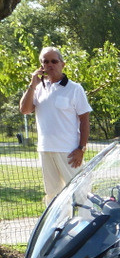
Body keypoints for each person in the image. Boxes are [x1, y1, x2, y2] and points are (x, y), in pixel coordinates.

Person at [19, 47, 92, 205]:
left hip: (69, 151)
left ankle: (88, 225)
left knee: (81, 192)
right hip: (45, 150)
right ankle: (58, 228)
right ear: (41, 66)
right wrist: (32, 84)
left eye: (54, 61)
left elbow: (85, 120)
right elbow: (25, 110)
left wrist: (81, 148)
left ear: (62, 64)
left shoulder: (75, 89)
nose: (50, 65)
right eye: (45, 61)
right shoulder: (37, 89)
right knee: (53, 195)